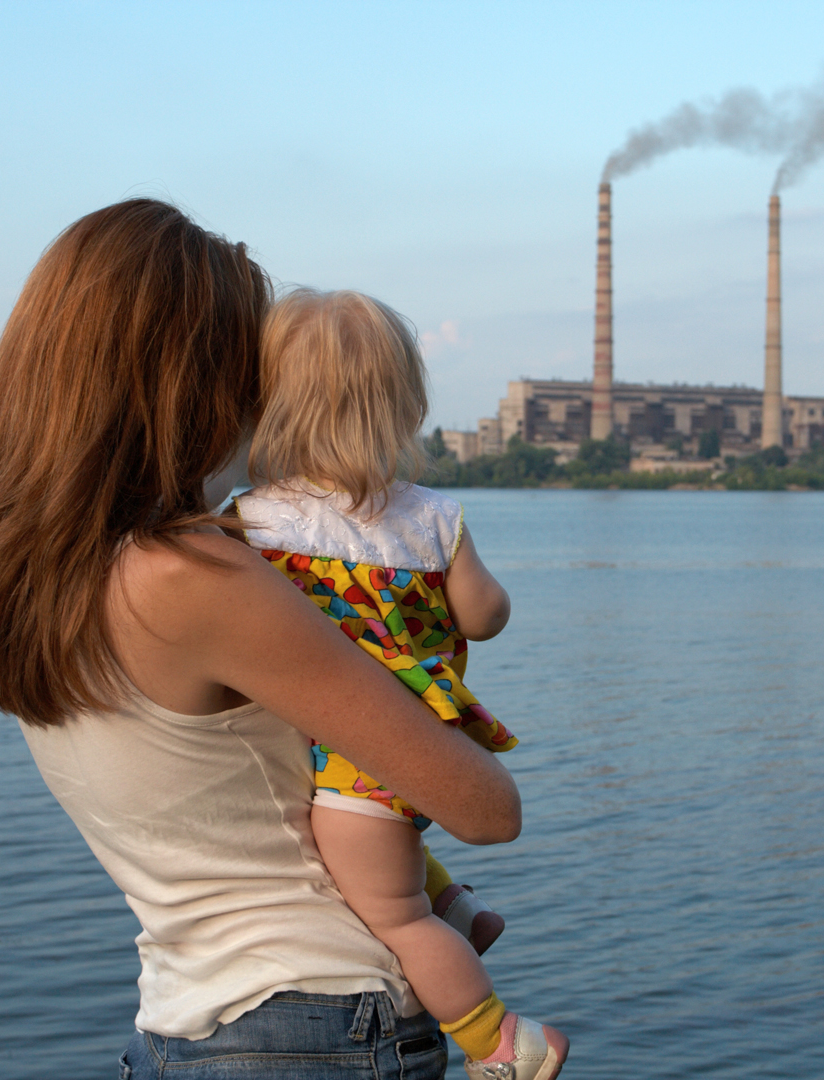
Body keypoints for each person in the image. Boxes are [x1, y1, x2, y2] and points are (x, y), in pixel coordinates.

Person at [0, 199, 524, 1080]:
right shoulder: (192, 576)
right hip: (319, 1023)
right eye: (249, 373)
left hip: (182, 1023)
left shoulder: (15, 580)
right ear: (190, 385)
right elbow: (487, 808)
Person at [233, 289, 568, 1079]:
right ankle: (460, 908)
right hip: (422, 745)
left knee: (394, 916)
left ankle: (501, 1042)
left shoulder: (251, 524)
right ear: (406, 404)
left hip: (351, 757)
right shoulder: (435, 521)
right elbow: (484, 617)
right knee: (381, 861)